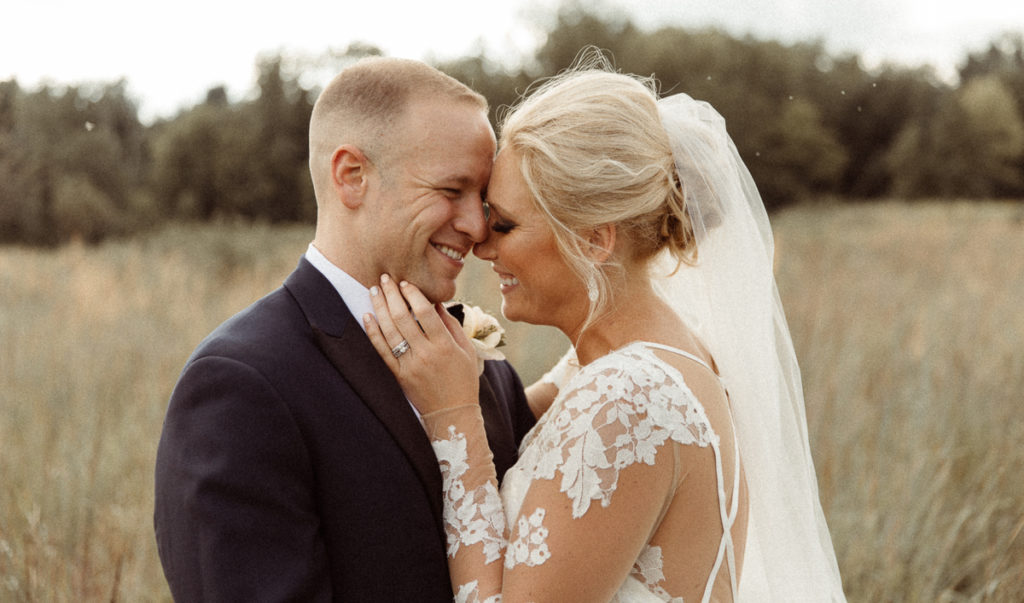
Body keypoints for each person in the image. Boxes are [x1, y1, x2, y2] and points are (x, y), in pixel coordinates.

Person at [365, 55, 846, 601]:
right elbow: (530, 418)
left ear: (594, 241)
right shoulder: (644, 358)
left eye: (505, 223)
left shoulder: (629, 398)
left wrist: (453, 416)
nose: (482, 243)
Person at [153, 57, 536, 601]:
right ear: (351, 176)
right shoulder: (239, 385)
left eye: (482, 198)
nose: (476, 226)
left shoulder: (481, 370)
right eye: (452, 191)